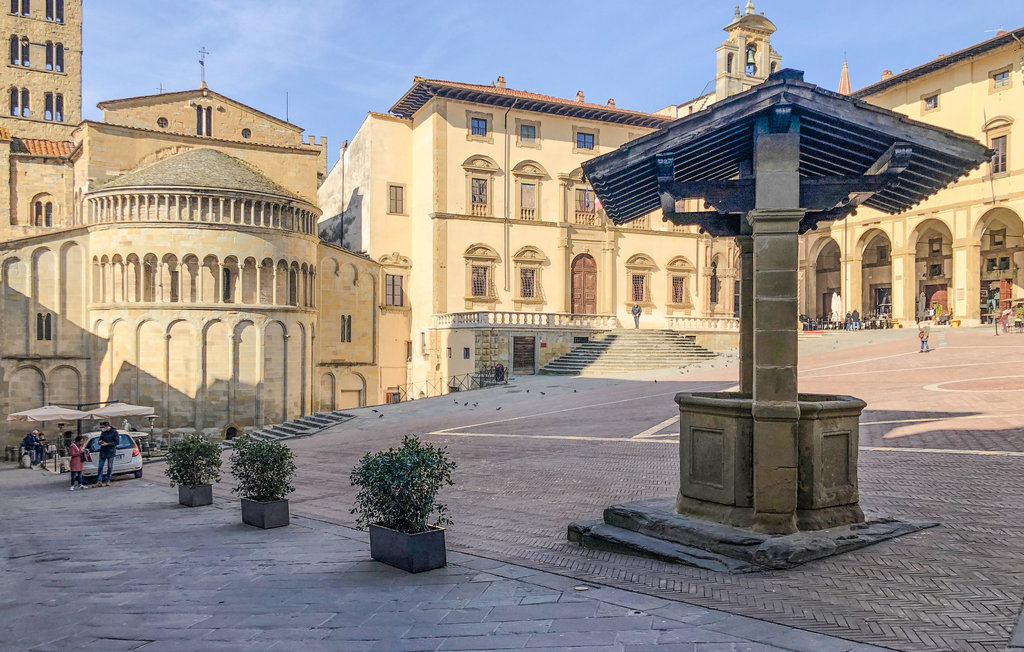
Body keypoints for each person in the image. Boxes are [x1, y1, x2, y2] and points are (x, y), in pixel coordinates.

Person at [95, 421, 119, 487]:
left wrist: (107, 444)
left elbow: (117, 442)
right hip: (103, 451)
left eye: (103, 427)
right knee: (100, 466)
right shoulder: (103, 432)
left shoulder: (114, 432)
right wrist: (100, 442)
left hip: (110, 451)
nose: (102, 429)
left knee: (109, 466)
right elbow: (100, 439)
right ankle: (99, 481)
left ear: (106, 426)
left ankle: (108, 480)